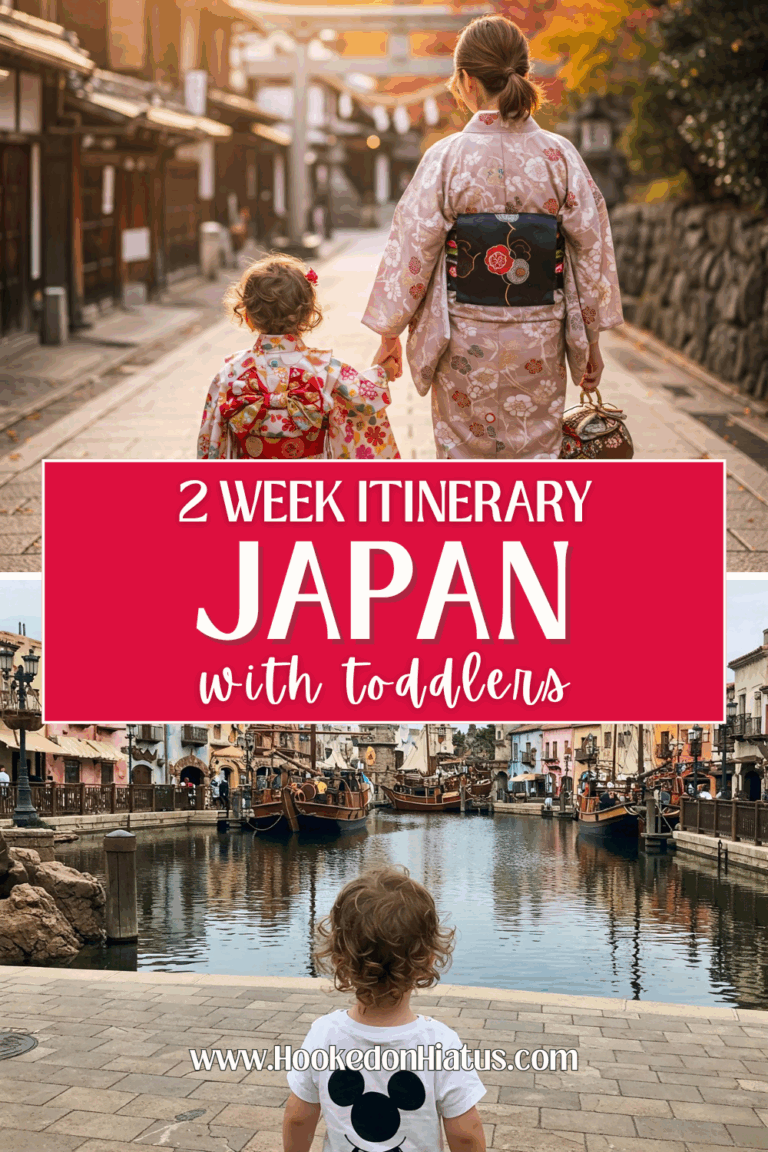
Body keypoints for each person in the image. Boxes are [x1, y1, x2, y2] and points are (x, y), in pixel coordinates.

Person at [362, 14, 622, 460]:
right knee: (537, 451)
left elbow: (413, 248)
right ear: (522, 74)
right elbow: (591, 248)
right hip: (539, 335)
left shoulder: (446, 158)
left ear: (465, 81)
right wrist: (590, 341)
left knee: (464, 458)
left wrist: (390, 332)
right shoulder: (559, 155)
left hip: (466, 338)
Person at [283, 867, 486, 1152]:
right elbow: (466, 1133)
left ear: (340, 959)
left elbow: (298, 1117)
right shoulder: (440, 1044)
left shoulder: (324, 1035)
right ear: (427, 960)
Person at [198, 254, 400, 460]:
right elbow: (364, 398)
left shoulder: (231, 373)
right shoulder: (325, 369)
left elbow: (211, 435)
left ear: (248, 317)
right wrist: (384, 370)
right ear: (308, 315)